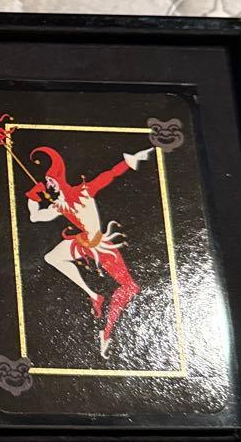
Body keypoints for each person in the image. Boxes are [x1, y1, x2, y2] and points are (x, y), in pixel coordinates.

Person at [25, 143, 155, 358]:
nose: (48, 186)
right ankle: (94, 296)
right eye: (46, 184)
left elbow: (109, 175)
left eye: (49, 182)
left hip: (100, 246)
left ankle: (107, 331)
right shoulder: (60, 205)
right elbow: (35, 217)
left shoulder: (82, 192)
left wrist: (131, 160)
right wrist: (33, 197)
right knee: (51, 257)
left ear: (57, 180)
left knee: (129, 287)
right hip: (83, 243)